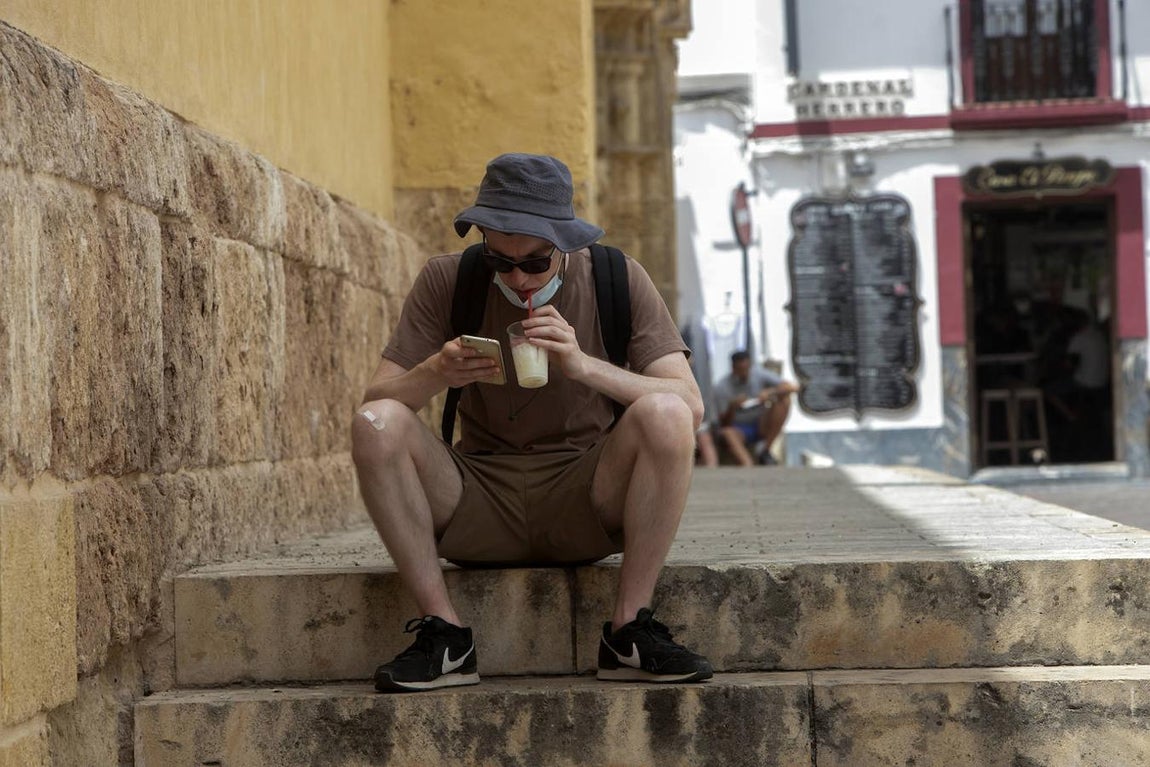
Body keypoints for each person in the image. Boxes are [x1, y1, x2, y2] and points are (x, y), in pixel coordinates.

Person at [351, 153, 713, 693]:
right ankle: (445, 634)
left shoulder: (616, 276)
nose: (517, 277)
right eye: (500, 262)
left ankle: (628, 633)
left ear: (565, 246)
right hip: (477, 496)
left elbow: (690, 403)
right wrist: (435, 372)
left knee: (665, 414)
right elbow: (376, 398)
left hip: (588, 493)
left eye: (535, 262)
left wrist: (584, 364)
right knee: (375, 424)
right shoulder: (449, 279)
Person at [712, 350, 798, 467]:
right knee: (728, 433)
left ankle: (765, 450)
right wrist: (732, 407)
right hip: (738, 428)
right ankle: (748, 465)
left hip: (760, 423)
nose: (744, 374)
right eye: (740, 370)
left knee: (783, 401)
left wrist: (770, 392)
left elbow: (791, 387)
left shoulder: (758, 374)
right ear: (733, 368)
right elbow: (723, 424)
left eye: (746, 369)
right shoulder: (722, 387)